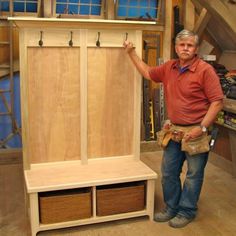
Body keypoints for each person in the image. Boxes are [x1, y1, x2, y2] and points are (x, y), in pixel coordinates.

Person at [123, 29, 224, 228]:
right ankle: (171, 207)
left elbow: (217, 102)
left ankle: (187, 210)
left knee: (193, 175)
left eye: (190, 45)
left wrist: (202, 128)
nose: (185, 48)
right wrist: (131, 53)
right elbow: (147, 72)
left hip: (196, 133)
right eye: (182, 44)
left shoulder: (205, 71)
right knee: (169, 172)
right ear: (176, 47)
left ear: (195, 49)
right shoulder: (169, 67)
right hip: (174, 131)